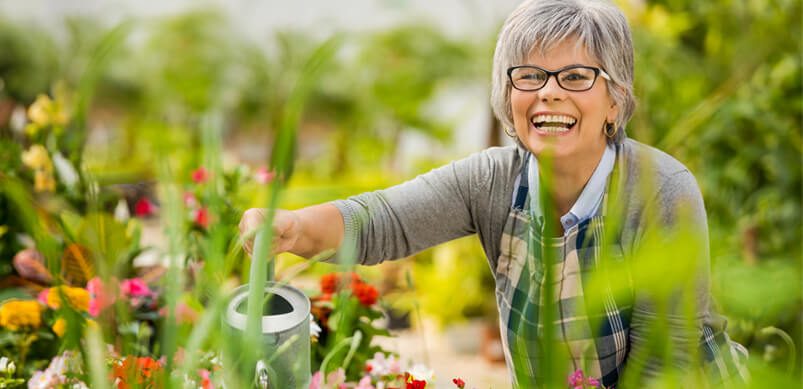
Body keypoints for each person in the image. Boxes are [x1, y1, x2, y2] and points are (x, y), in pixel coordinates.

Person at [239, 0, 747, 386]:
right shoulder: (492, 182)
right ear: (509, 97)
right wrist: (295, 227)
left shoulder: (660, 190)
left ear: (615, 101)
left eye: (575, 76)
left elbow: (665, 364)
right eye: (529, 75)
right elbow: (383, 222)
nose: (549, 91)